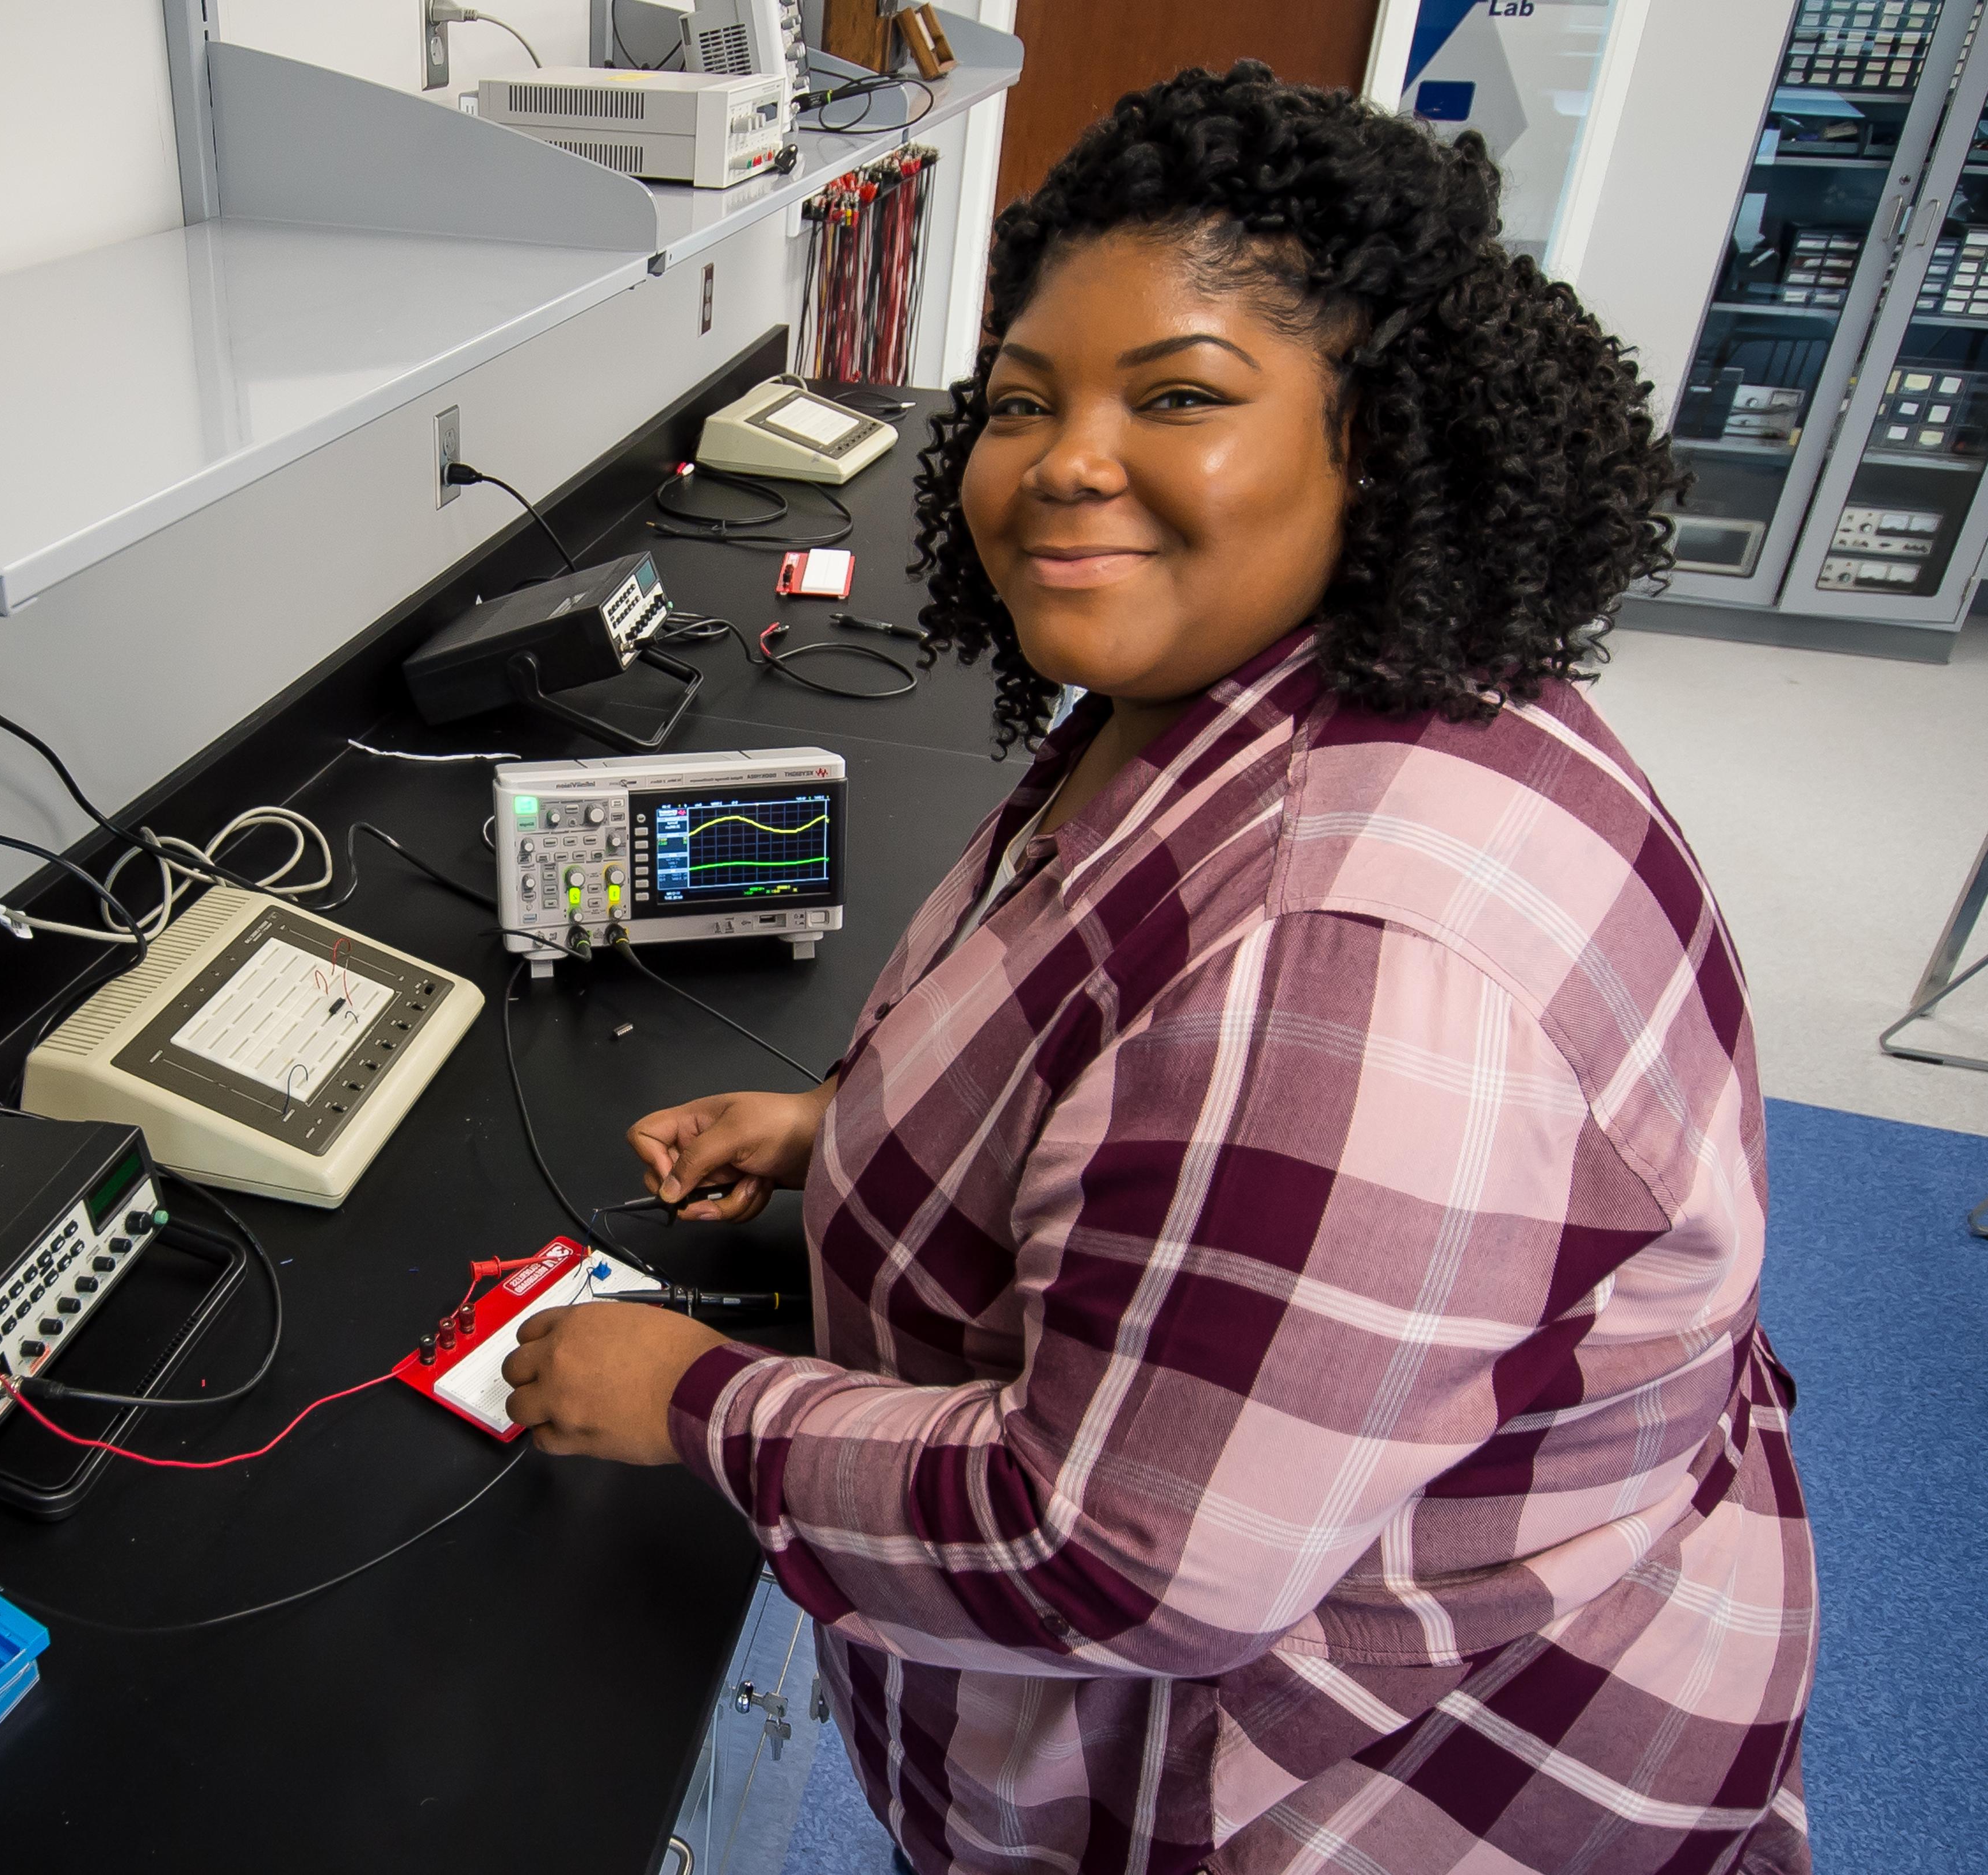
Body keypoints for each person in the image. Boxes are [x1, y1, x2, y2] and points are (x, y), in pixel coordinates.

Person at [499, 63, 1813, 1875]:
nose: (1060, 464)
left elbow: (1116, 1554)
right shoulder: (1253, 694)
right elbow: (1113, 1023)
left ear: (1389, 436)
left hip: (1358, 1795)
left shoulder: (1347, 969)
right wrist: (848, 1124)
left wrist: (685, 1400)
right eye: (1023, 401)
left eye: (1180, 395)